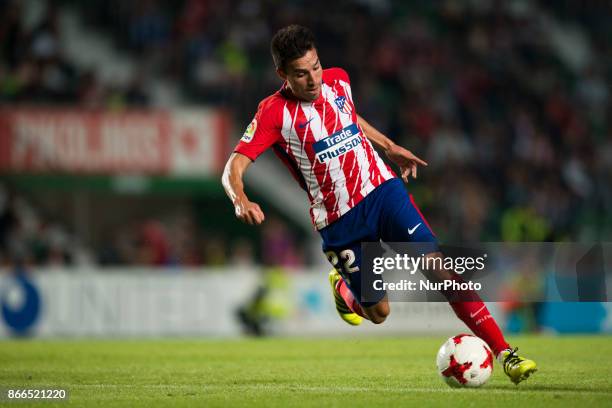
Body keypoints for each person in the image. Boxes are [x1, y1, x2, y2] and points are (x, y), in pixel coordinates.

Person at [222, 25, 537, 384]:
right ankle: (343, 288)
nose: (313, 79)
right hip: (340, 221)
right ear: (282, 74)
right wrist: (239, 199)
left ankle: (505, 352)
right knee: (379, 312)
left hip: (383, 191)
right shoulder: (273, 114)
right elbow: (234, 165)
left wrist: (388, 146)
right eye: (301, 73)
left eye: (316, 67)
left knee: (440, 268)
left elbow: (348, 117)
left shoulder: (338, 80)